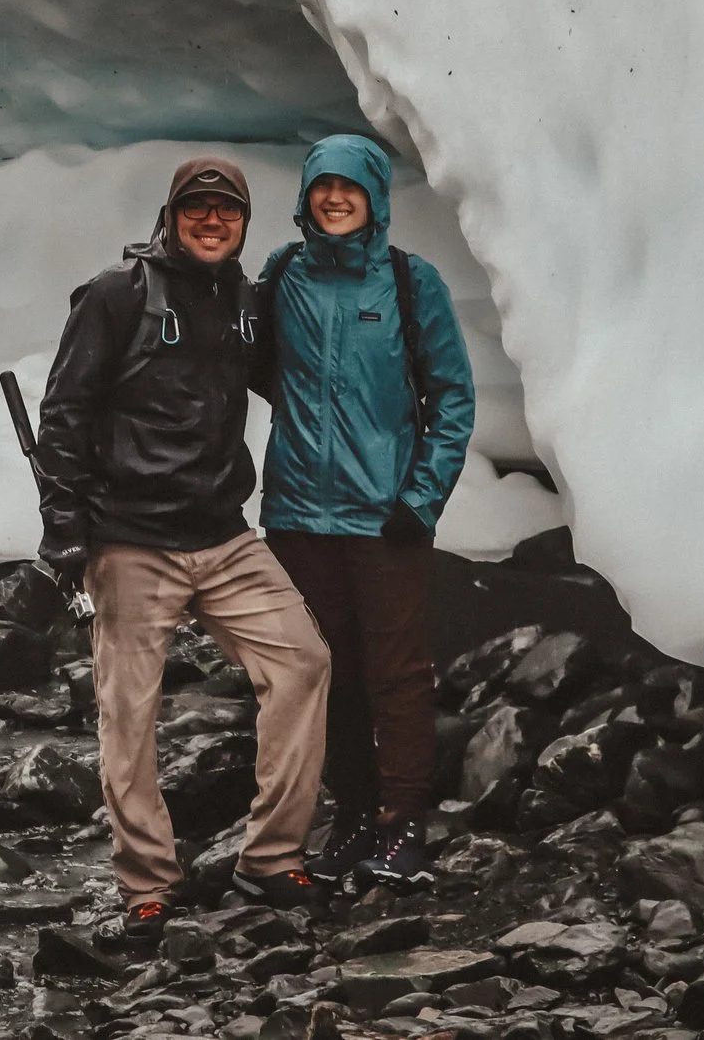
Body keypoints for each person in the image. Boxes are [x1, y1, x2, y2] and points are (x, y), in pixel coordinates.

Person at [34, 157, 332, 936]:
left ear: (243, 224)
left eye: (226, 210)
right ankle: (147, 883)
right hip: (131, 539)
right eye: (197, 208)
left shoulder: (244, 302)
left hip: (224, 534)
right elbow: (64, 413)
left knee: (303, 660)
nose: (211, 220)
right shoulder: (115, 297)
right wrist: (63, 528)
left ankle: (271, 856)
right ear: (170, 214)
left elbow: (297, 382)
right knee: (128, 711)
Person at [256, 134, 477, 890]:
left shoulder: (412, 284)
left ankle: (405, 820)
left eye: (351, 187)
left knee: (397, 673)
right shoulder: (283, 275)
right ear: (306, 196)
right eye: (323, 186)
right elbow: (246, 369)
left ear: (376, 197)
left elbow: (452, 396)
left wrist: (421, 498)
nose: (336, 198)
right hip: (296, 516)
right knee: (330, 672)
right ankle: (353, 813)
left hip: (384, 519)